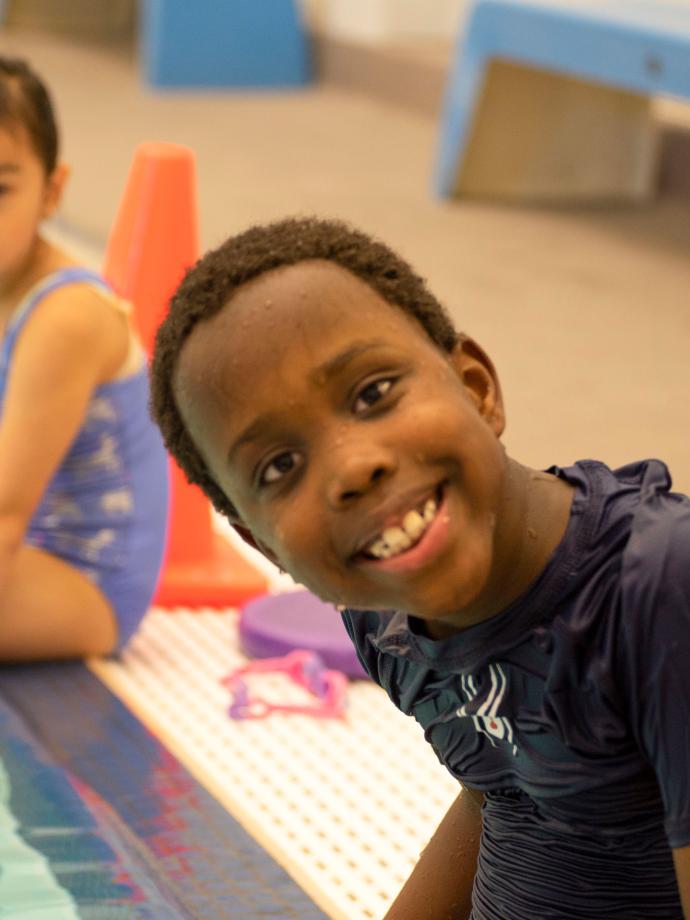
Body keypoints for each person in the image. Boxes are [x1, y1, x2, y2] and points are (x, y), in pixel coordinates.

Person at [149, 215, 690, 919]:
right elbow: (502, 789)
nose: (353, 466)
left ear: (475, 387)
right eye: (280, 466)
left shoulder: (656, 590)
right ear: (265, 547)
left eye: (372, 393)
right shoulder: (388, 619)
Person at [0, 56, 169, 661]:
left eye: (0, 189)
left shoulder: (64, 317)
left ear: (52, 191)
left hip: (86, 580)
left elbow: (5, 517)